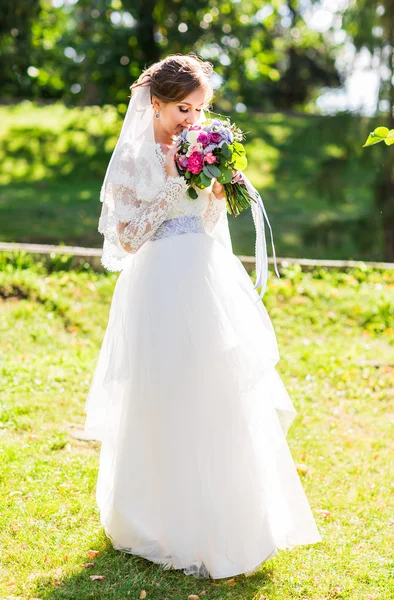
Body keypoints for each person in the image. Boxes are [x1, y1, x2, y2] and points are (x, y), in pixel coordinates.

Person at [83, 53, 322, 580]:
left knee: (216, 386)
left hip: (207, 278)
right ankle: (158, 515)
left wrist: (216, 190)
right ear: (157, 102)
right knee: (165, 389)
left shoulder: (202, 144)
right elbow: (126, 236)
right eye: (184, 110)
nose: (193, 121)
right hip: (160, 283)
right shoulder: (133, 158)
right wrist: (171, 183)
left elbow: (206, 220)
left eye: (200, 109)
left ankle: (229, 516)